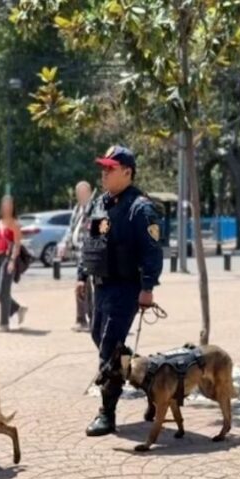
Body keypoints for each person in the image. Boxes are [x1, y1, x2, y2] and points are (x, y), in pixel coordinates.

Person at [80, 146, 164, 436]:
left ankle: (107, 412)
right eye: (102, 169)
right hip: (100, 287)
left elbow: (152, 252)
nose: (103, 174)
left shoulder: (140, 208)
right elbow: (89, 242)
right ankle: (147, 376)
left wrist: (148, 288)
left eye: (110, 169)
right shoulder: (101, 203)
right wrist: (82, 275)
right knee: (100, 338)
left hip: (125, 288)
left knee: (109, 349)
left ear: (127, 172)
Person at [0, 195, 28, 332]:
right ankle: (17, 308)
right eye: (4, 205)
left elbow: (17, 245)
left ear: (13, 207)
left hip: (9, 258)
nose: (7, 207)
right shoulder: (0, 223)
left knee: (4, 291)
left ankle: (4, 323)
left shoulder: (15, 224)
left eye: (9, 205)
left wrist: (12, 261)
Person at [61, 181, 95, 332]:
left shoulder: (93, 209)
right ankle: (85, 319)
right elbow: (71, 230)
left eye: (83, 192)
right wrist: (64, 244)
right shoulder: (77, 209)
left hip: (88, 254)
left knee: (84, 286)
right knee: (83, 287)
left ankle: (86, 319)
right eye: (78, 193)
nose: (80, 195)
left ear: (88, 193)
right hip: (78, 254)